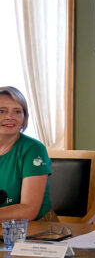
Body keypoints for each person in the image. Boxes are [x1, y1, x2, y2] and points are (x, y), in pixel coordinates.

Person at [0, 86, 52, 221]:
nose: (10, 117)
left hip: (34, 229)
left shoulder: (34, 149)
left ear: (24, 117)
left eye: (17, 111)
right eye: (2, 111)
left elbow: (28, 210)